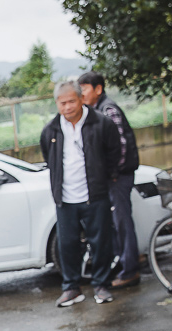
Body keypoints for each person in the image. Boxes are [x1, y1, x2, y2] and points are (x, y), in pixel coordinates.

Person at [41, 81, 121, 307]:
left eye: (71, 101)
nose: (67, 107)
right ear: (57, 103)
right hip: (65, 198)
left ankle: (101, 285)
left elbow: (114, 152)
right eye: (62, 102)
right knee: (67, 244)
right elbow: (50, 158)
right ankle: (71, 288)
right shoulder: (51, 130)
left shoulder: (100, 123)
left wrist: (107, 177)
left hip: (94, 194)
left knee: (101, 242)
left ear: (81, 100)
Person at [78, 72, 141, 288]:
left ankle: (130, 271)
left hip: (119, 176)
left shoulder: (108, 109)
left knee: (122, 222)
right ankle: (123, 264)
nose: (81, 94)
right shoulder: (95, 111)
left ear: (98, 89)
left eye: (84, 88)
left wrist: (113, 173)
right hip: (111, 177)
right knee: (114, 223)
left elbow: (121, 144)